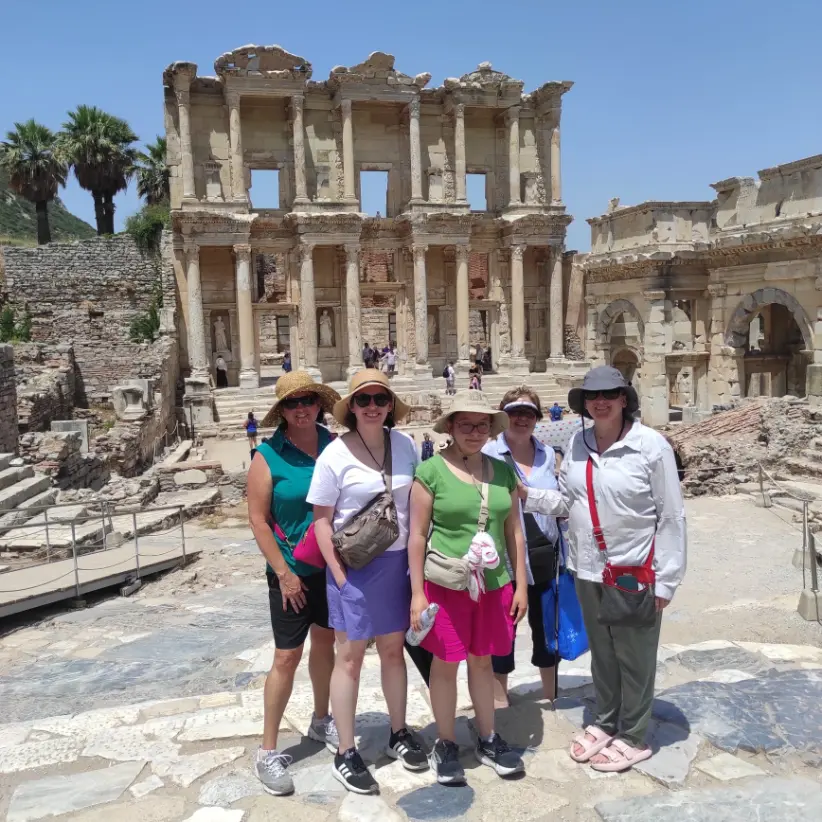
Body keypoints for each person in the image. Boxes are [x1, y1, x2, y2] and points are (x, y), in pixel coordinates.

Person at [520, 366, 687, 773]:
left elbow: (671, 515)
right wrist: (526, 495)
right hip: (586, 567)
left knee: (635, 655)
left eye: (609, 394)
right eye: (592, 396)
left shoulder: (651, 446)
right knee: (603, 652)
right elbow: (568, 502)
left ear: (624, 398)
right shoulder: (578, 442)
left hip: (634, 568)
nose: (600, 401)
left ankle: (634, 734)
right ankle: (608, 719)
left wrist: (667, 579)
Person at [309, 369, 428, 794]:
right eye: (364, 400)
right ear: (352, 408)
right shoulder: (334, 455)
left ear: (390, 405)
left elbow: (418, 504)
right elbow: (322, 522)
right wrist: (340, 577)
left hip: (397, 565)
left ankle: (398, 731)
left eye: (380, 399)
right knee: (350, 658)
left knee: (394, 652)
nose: (373, 406)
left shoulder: (405, 445)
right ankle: (345, 750)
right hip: (354, 568)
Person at [408, 392, 529, 786]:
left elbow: (514, 531)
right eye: (466, 425)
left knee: (483, 661)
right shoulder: (430, 471)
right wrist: (417, 593)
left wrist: (520, 585)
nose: (474, 432)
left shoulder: (503, 472)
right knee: (445, 664)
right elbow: (417, 535)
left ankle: (488, 736)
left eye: (481, 425)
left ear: (490, 429)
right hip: (447, 584)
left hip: (493, 585)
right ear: (451, 427)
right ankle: (445, 742)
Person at [246, 371, 343, 796]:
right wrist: (283, 574)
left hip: (331, 566)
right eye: (292, 403)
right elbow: (257, 519)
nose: (301, 409)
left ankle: (322, 719)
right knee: (286, 656)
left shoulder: (334, 445)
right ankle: (267, 750)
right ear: (281, 411)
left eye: (308, 400)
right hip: (290, 572)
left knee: (326, 644)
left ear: (319, 404)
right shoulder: (267, 456)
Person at [483, 388, 560, 708]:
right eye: (514, 412)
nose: (521, 419)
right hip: (502, 561)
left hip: (543, 557)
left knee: (547, 632)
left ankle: (552, 697)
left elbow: (561, 502)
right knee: (502, 634)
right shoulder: (487, 453)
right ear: (503, 416)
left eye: (529, 413)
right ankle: (500, 703)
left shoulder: (548, 454)